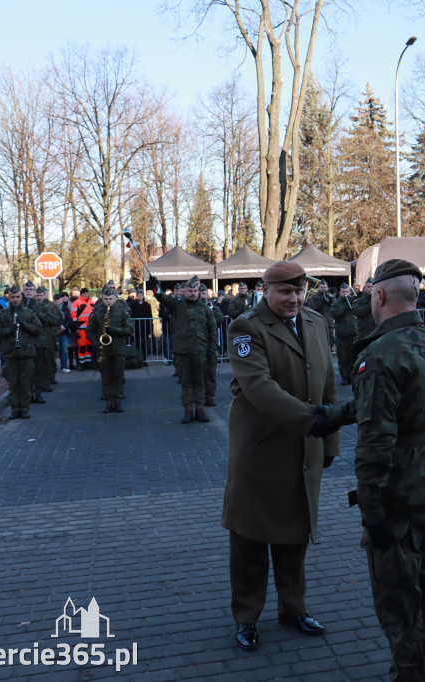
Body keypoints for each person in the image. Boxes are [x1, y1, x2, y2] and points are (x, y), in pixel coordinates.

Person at [323, 258, 425, 682]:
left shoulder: (379, 355)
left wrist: (371, 507)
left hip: (398, 491)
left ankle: (410, 675)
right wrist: (334, 414)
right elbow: (405, 405)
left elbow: (376, 440)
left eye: (369, 294)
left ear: (379, 295)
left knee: (399, 600)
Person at [221, 260, 339, 651]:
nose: (294, 298)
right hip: (261, 449)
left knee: (294, 535)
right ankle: (247, 617)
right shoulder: (246, 327)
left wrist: (330, 440)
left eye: (299, 291)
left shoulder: (316, 322)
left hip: (304, 446)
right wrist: (312, 421)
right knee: (250, 539)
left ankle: (294, 608)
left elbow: (327, 385)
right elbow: (258, 387)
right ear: (265, 290)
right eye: (285, 291)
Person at [148, 275, 217, 423]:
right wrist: (155, 286)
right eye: (189, 290)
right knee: (186, 382)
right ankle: (188, 410)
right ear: (184, 291)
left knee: (199, 382)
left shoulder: (205, 309)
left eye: (194, 290)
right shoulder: (177, 305)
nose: (192, 293)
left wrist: (212, 350)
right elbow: (161, 298)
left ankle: (199, 409)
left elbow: (212, 330)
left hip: (200, 351)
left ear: (198, 291)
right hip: (182, 351)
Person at [0, 285, 42, 419]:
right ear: (9, 298)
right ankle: (15, 408)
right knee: (13, 384)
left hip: (26, 354)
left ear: (21, 297)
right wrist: (9, 330)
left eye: (18, 297)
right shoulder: (2, 314)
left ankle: (24, 408)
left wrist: (24, 324)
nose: (15, 300)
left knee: (25, 384)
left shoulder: (29, 313)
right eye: (12, 297)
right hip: (10, 354)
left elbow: (38, 329)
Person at [331, 282, 358, 385]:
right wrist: (345, 307)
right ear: (340, 292)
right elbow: (335, 315)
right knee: (342, 357)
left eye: (347, 291)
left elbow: (358, 312)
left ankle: (351, 376)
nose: (345, 294)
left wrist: (353, 303)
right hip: (341, 334)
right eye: (343, 292)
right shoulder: (336, 303)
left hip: (353, 332)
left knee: (353, 357)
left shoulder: (353, 301)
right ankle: (344, 377)